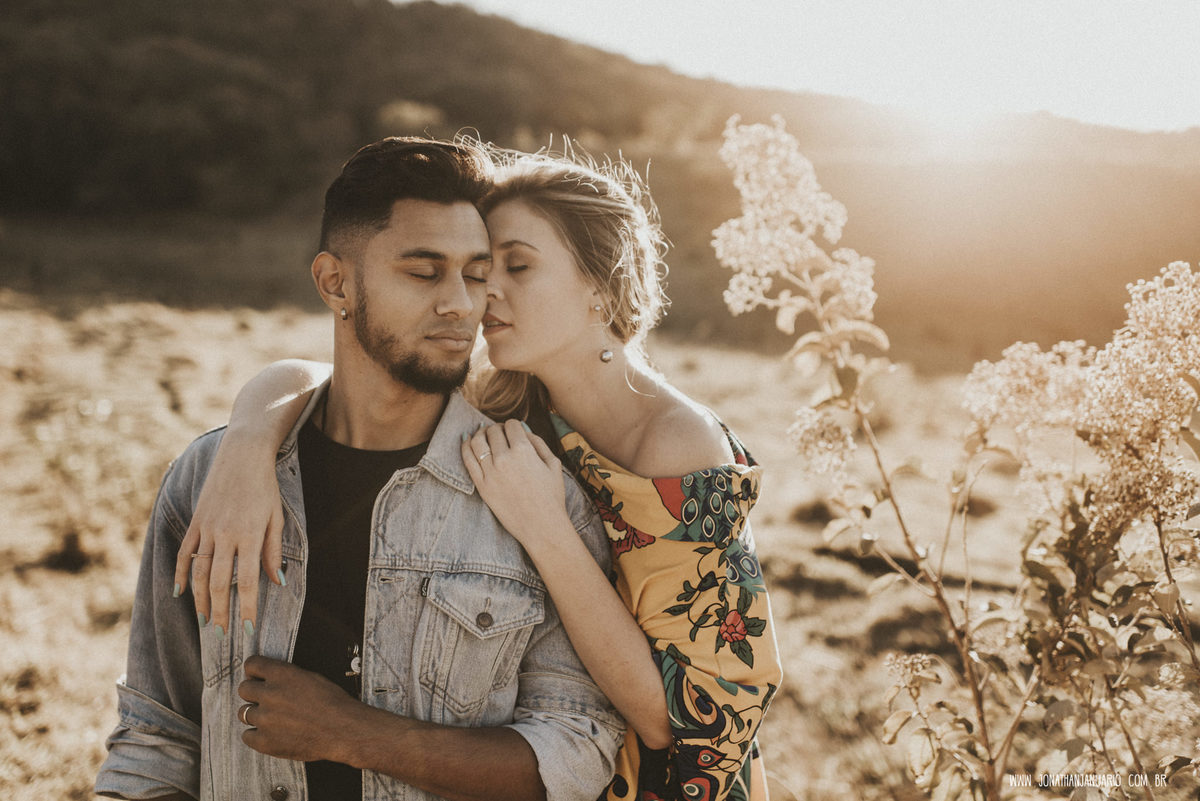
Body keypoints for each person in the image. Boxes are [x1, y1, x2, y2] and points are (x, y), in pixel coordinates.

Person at [179, 144, 783, 801]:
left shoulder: (678, 443)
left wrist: (546, 528)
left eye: (515, 266)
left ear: (600, 287)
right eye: (482, 267)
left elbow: (684, 721)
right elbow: (335, 374)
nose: (480, 294)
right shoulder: (509, 398)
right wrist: (244, 444)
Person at [95, 138, 624, 801]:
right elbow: (159, 735)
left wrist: (351, 732)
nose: (463, 304)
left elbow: (579, 749)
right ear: (335, 282)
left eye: (476, 272)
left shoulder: (531, 491)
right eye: (424, 272)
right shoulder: (212, 479)